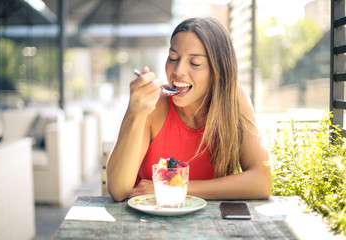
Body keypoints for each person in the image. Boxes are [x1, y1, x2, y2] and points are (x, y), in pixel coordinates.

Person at [107, 17, 271, 202]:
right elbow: (118, 190)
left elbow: (261, 181)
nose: (178, 70)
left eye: (195, 63)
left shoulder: (234, 100)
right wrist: (135, 112)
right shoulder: (153, 105)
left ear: (218, 71)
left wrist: (173, 186)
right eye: (173, 58)